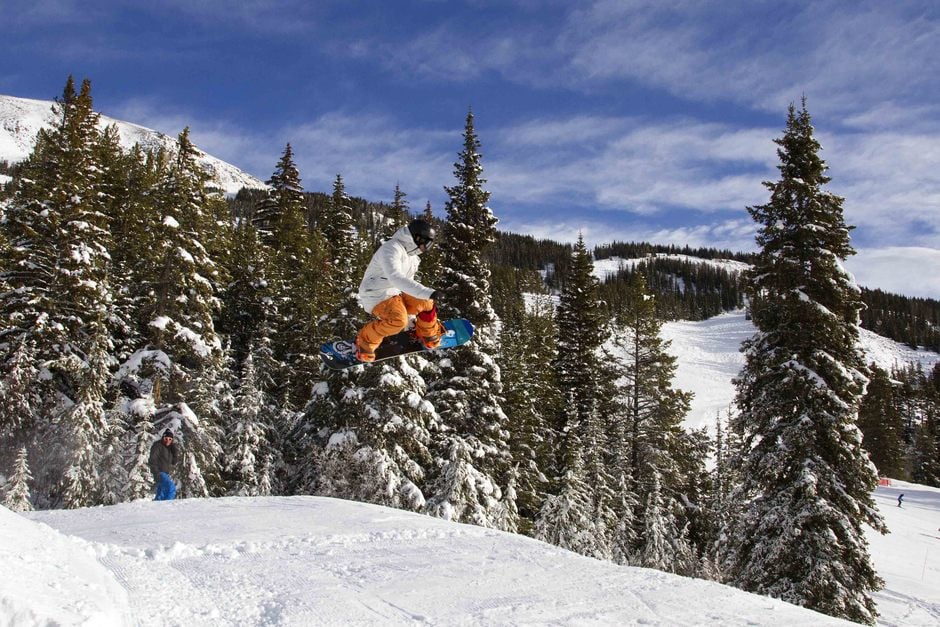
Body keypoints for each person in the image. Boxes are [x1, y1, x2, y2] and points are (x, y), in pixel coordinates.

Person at [355, 219, 444, 362]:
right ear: (417, 238)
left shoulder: (413, 258)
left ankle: (426, 333)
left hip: (396, 293)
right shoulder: (391, 249)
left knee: (426, 302)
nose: (425, 248)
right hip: (377, 294)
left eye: (429, 245)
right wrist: (427, 291)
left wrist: (425, 299)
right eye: (426, 244)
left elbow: (408, 284)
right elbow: (396, 277)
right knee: (398, 320)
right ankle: (364, 342)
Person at [149, 428, 179, 501]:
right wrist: (156, 472)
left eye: (170, 439)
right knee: (171, 487)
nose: (168, 441)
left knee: (161, 493)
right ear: (163, 437)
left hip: (165, 472)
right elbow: (152, 459)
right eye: (166, 438)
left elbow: (173, 462)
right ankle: (167, 505)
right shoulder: (158, 446)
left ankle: (157, 506)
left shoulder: (169, 449)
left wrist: (174, 452)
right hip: (159, 472)